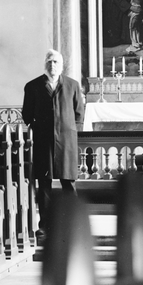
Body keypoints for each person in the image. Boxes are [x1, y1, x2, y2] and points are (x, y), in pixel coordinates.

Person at [21, 49, 84, 239]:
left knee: (68, 184)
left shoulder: (72, 85)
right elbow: (26, 114)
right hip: (43, 141)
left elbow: (79, 113)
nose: (52, 65)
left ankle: (72, 224)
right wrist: (39, 127)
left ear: (62, 65)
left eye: (56, 62)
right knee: (44, 184)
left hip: (66, 142)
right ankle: (44, 226)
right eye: (49, 62)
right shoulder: (32, 86)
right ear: (44, 64)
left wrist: (70, 131)